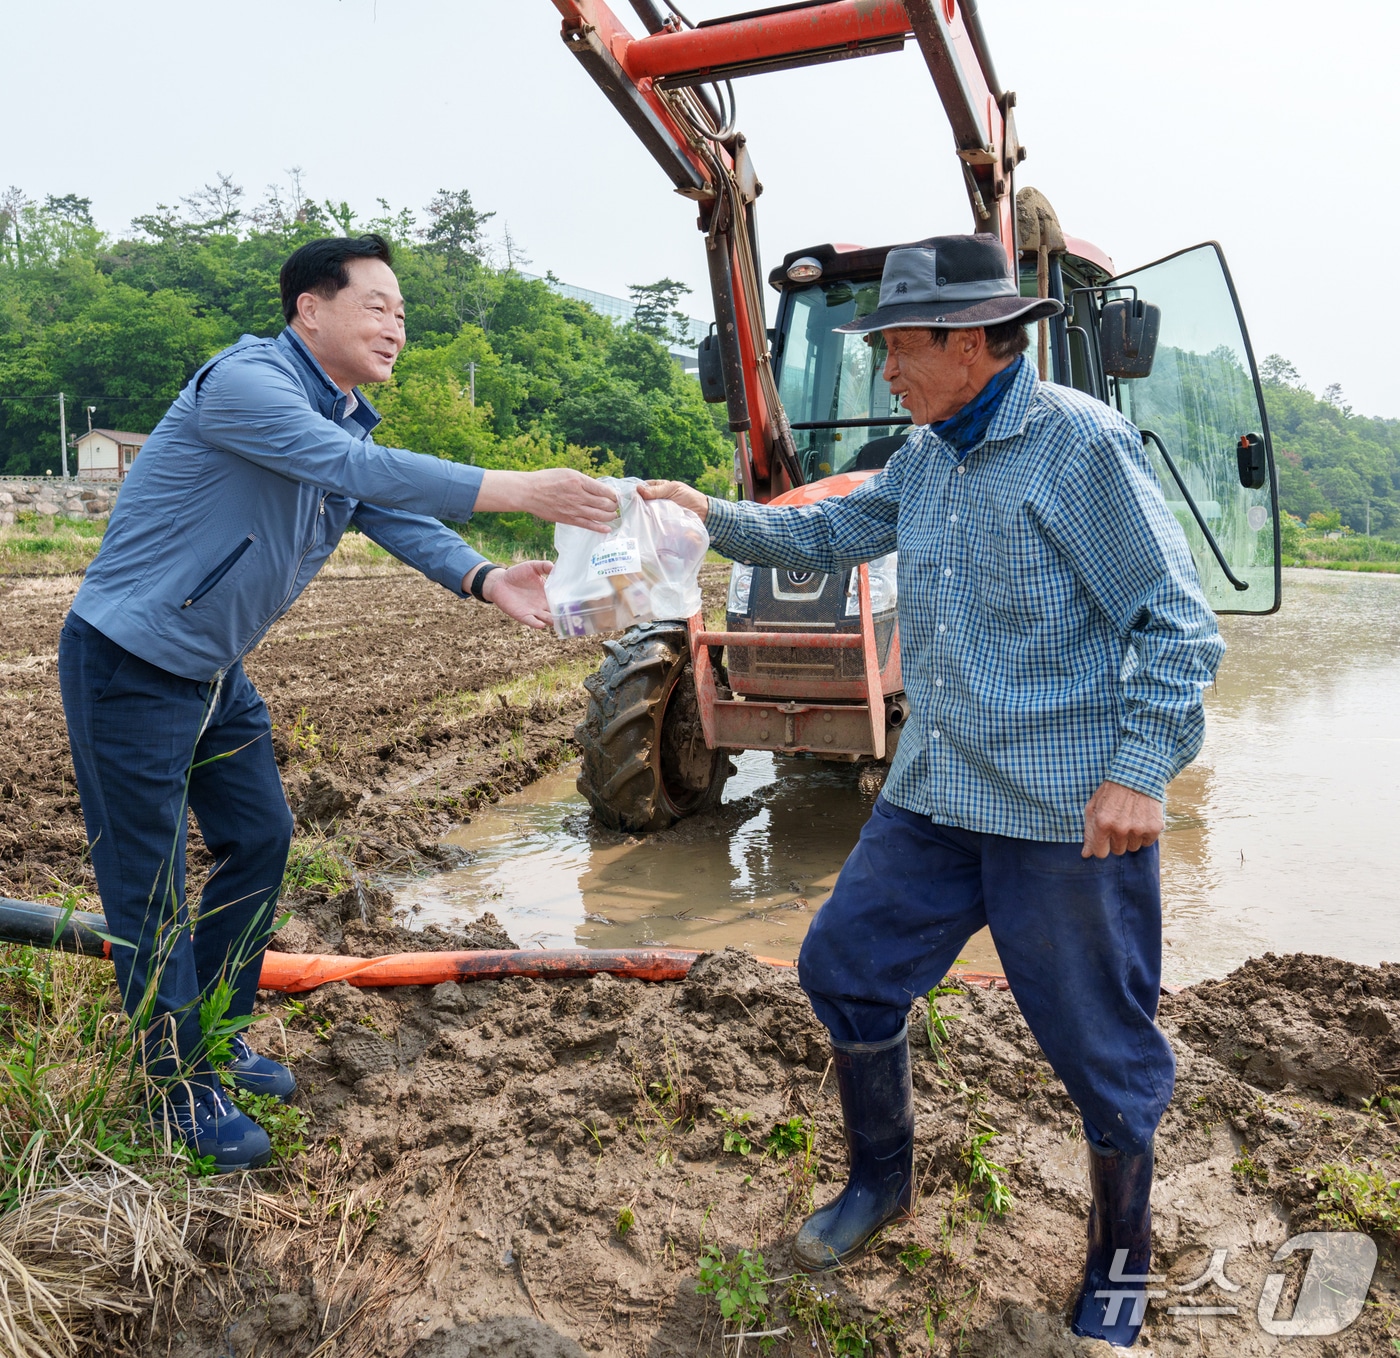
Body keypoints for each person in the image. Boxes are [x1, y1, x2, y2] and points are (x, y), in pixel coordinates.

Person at [641, 233, 1224, 1349]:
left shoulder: (1078, 446)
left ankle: (1119, 1256)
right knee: (843, 966)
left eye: (899, 346)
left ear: (970, 342)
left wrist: (1138, 771)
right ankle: (879, 1180)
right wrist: (702, 512)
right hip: (936, 789)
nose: (887, 368)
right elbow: (828, 529)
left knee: (1098, 1042)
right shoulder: (924, 454)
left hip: (1062, 808)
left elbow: (1176, 623)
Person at [58, 233, 617, 1173]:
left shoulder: (342, 416)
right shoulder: (248, 386)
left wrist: (484, 577)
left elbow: (385, 507)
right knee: (145, 887)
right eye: (378, 305)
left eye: (402, 311)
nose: (397, 324)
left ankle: (221, 1027)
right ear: (309, 311)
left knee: (262, 839)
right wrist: (519, 486)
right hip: (131, 664)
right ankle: (175, 1086)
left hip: (213, 671)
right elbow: (356, 472)